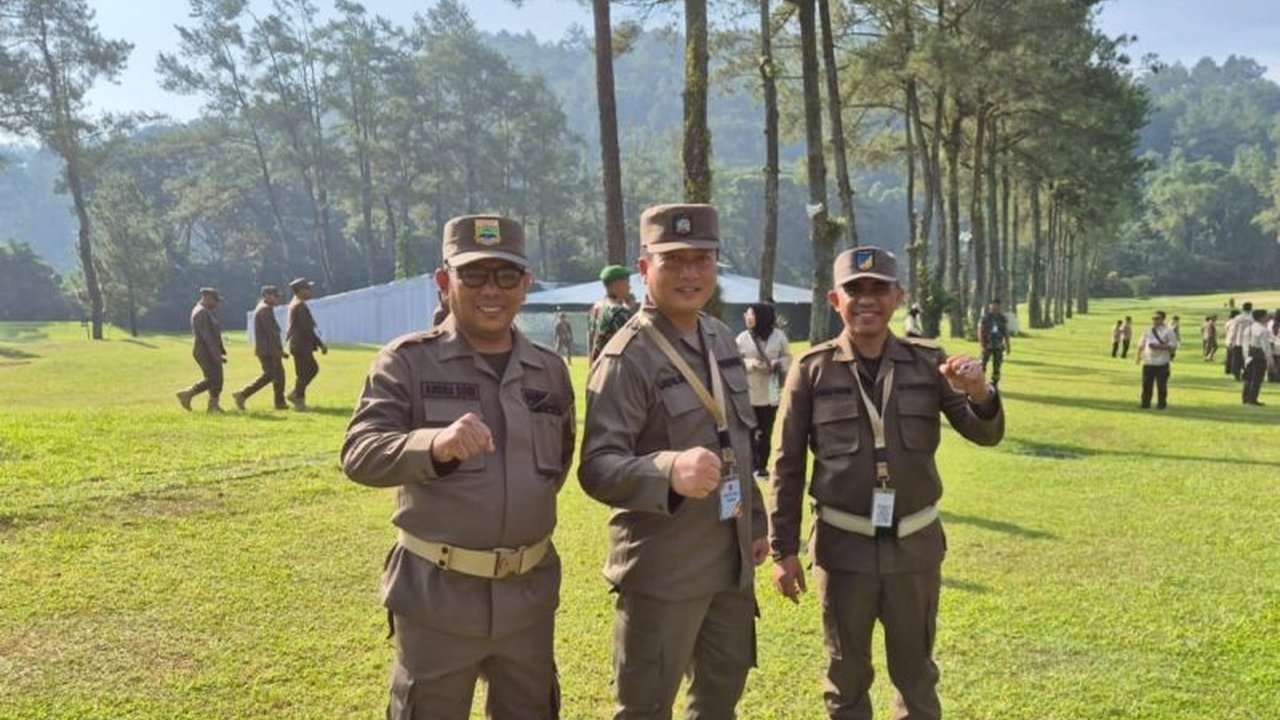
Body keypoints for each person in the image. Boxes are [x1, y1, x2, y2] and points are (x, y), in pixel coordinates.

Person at [341, 215, 575, 720]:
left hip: (527, 598)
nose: (491, 290)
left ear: (525, 284)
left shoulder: (550, 372)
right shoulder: (406, 362)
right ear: (444, 282)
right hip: (438, 599)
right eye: (473, 275)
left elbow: (555, 468)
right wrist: (434, 446)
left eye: (505, 276)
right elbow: (360, 452)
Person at [769, 246, 1004, 720]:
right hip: (843, 548)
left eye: (879, 289)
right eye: (855, 290)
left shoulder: (928, 363)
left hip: (914, 550)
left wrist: (979, 392)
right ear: (836, 300)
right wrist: (782, 550)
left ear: (898, 297)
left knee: (916, 675)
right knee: (845, 677)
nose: (867, 300)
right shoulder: (811, 370)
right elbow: (787, 464)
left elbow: (984, 433)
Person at [579, 203, 768, 719]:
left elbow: (738, 441)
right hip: (663, 572)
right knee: (645, 707)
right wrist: (667, 470)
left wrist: (757, 519)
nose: (690, 273)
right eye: (674, 260)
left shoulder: (719, 337)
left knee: (718, 701)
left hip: (728, 564)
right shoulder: (626, 357)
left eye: (702, 259)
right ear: (644, 269)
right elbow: (597, 466)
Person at [735, 302, 792, 479]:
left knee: (765, 432)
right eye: (746, 314)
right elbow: (735, 361)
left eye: (751, 314)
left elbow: (788, 358)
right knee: (749, 431)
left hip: (770, 392)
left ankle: (762, 466)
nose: (747, 317)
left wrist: (778, 364)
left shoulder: (778, 336)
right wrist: (751, 364)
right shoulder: (742, 338)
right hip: (749, 392)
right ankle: (751, 465)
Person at [232, 285, 289, 411]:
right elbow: (271, 333)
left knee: (279, 376)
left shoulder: (263, 308)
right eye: (275, 296)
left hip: (268, 349)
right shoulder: (265, 309)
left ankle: (280, 403)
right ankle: (242, 394)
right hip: (268, 350)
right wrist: (279, 350)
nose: (277, 299)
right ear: (267, 296)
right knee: (270, 375)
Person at [176, 287, 228, 413]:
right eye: (215, 300)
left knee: (217, 378)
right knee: (213, 378)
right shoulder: (201, 312)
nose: (216, 303)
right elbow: (207, 336)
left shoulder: (204, 311)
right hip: (204, 351)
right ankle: (187, 393)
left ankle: (213, 405)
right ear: (207, 297)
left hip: (207, 350)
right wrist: (215, 355)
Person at [286, 277, 328, 411]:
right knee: (305, 372)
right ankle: (298, 400)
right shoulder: (299, 306)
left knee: (309, 370)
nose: (310, 291)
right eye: (308, 289)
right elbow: (307, 329)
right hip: (301, 344)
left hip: (299, 344)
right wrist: (321, 344)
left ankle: (296, 394)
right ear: (301, 290)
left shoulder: (296, 304)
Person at [587, 264, 636, 363]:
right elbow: (632, 348)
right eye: (627, 282)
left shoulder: (595, 308)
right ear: (617, 285)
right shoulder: (619, 313)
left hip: (596, 368)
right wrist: (630, 311)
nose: (630, 287)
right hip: (613, 370)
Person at [1136, 310, 1178, 410]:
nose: (1154, 320)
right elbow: (1141, 344)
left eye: (1157, 318)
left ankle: (1161, 404)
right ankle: (1145, 403)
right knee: (1146, 385)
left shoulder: (1169, 331)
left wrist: (1160, 346)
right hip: (1148, 362)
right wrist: (1138, 356)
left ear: (1163, 319)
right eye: (1153, 318)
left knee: (1161, 386)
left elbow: (1173, 345)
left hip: (1162, 363)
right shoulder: (1147, 330)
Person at [1241, 309, 1275, 405]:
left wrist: (1246, 356)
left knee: (1248, 378)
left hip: (1250, 355)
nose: (1268, 317)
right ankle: (1252, 399)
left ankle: (1245, 398)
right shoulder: (1263, 330)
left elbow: (1245, 344)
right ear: (1261, 318)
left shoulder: (1249, 328)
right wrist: (1270, 361)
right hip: (1259, 357)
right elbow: (1266, 347)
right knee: (1257, 379)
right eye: (1266, 316)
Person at [978, 298, 1011, 387]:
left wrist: (1008, 346)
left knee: (997, 365)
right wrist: (982, 345)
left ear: (999, 306)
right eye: (992, 305)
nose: (994, 307)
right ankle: (980, 382)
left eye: (996, 305)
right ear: (990, 306)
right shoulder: (985, 318)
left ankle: (994, 382)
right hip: (987, 345)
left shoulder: (1002, 318)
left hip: (998, 346)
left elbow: (1006, 333)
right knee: (982, 364)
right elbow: (980, 331)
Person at [1225, 302, 1253, 380]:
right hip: (1248, 342)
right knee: (1247, 359)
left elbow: (1233, 331)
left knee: (1237, 359)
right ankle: (1246, 374)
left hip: (1238, 342)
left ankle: (1236, 374)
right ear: (1251, 308)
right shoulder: (1252, 318)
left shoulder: (1237, 318)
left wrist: (1230, 341)